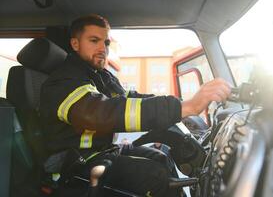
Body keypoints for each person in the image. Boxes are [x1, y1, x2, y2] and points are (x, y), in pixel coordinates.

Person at [40, 14, 231, 197]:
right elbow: (100, 113)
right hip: (72, 163)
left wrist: (180, 107)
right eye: (93, 40)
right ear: (75, 44)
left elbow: (130, 98)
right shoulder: (63, 81)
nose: (102, 48)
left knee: (162, 158)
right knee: (155, 177)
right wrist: (184, 108)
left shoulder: (100, 76)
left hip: (101, 151)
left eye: (105, 42)